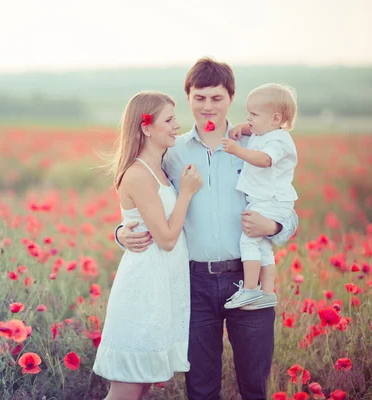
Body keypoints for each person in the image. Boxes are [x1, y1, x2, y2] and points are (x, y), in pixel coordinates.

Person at [115, 58, 299, 400]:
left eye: (216, 98)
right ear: (188, 98)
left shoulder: (258, 147)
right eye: (199, 98)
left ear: (231, 97)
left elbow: (287, 210)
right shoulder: (172, 151)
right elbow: (146, 199)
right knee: (200, 388)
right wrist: (121, 232)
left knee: (254, 386)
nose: (208, 106)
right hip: (193, 284)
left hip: (248, 279)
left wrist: (273, 225)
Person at [92, 91, 203, 400]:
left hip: (158, 287)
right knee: (126, 390)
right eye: (168, 120)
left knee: (139, 387)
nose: (176, 125)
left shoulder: (161, 168)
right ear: (146, 127)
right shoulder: (139, 174)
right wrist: (187, 193)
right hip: (142, 291)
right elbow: (166, 239)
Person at [221, 83, 298, 310]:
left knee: (249, 240)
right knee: (262, 246)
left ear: (275, 119)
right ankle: (266, 292)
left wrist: (237, 150)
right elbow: (253, 130)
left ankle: (251, 289)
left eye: (254, 114)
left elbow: (264, 159)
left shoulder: (279, 141)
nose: (249, 119)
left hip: (272, 199)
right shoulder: (264, 131)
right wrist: (241, 128)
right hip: (265, 198)